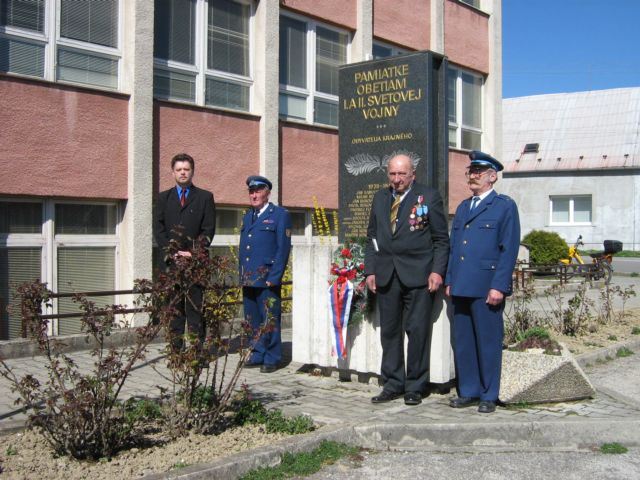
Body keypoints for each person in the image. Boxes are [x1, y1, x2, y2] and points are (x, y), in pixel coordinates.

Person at [364, 153, 449, 405]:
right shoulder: (380, 198)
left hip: (419, 275)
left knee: (417, 331)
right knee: (390, 333)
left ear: (413, 174)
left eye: (402, 174)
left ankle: (415, 386)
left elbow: (441, 240)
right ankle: (392, 384)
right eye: (392, 173)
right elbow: (371, 237)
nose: (397, 179)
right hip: (387, 275)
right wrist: (370, 270)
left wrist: (437, 271)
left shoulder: (428, 197)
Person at [445, 150, 521, 414]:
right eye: (471, 171)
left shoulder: (504, 206)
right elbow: (455, 247)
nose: (473, 176)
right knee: (464, 341)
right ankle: (469, 391)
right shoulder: (464, 207)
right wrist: (450, 279)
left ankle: (489, 394)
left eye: (478, 172)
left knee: (487, 342)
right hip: (461, 285)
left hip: (486, 287)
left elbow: (508, 249)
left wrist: (499, 286)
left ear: (492, 177)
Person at [154, 153, 216, 353]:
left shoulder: (205, 197)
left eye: (186, 169)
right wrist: (171, 252)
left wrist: (193, 252)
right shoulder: (163, 198)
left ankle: (196, 353)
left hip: (195, 265)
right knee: (174, 310)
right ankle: (176, 352)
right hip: (171, 264)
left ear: (192, 171)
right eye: (179, 169)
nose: (183, 173)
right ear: (172, 172)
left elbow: (208, 230)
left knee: (195, 309)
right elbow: (158, 229)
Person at [239, 175, 292, 373]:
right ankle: (257, 352)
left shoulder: (279, 215)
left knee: (269, 318)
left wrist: (275, 277)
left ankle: (272, 357)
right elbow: (245, 248)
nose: (254, 195)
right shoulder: (248, 216)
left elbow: (283, 248)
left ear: (267, 193)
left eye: (258, 191)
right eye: (251, 192)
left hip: (267, 278)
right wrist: (242, 275)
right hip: (249, 278)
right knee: (252, 318)